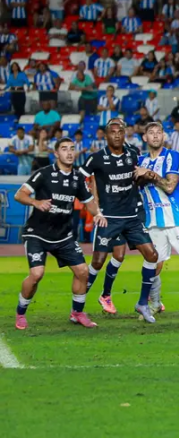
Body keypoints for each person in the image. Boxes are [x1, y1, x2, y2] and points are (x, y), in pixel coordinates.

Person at [13, 138, 106, 330]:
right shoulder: (44, 174)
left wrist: (97, 214)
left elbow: (88, 201)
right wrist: (36, 203)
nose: (69, 153)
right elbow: (19, 195)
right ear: (56, 153)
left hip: (63, 235)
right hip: (37, 234)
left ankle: (77, 313)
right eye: (64, 149)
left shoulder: (78, 178)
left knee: (82, 272)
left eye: (72, 149)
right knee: (37, 274)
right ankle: (21, 312)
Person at [80, 119, 160, 322]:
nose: (116, 135)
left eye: (120, 131)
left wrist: (144, 175)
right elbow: (78, 179)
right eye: (112, 132)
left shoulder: (133, 153)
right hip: (109, 218)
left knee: (151, 255)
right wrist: (93, 206)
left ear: (124, 134)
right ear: (106, 135)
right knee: (98, 261)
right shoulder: (96, 158)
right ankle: (78, 306)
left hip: (132, 216)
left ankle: (142, 303)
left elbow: (138, 179)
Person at [134, 122, 179, 321]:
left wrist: (148, 174)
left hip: (177, 220)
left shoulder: (173, 156)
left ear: (164, 136)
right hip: (153, 222)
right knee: (153, 266)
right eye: (151, 133)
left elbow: (169, 186)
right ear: (145, 138)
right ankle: (155, 304)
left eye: (159, 132)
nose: (156, 136)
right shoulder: (138, 160)